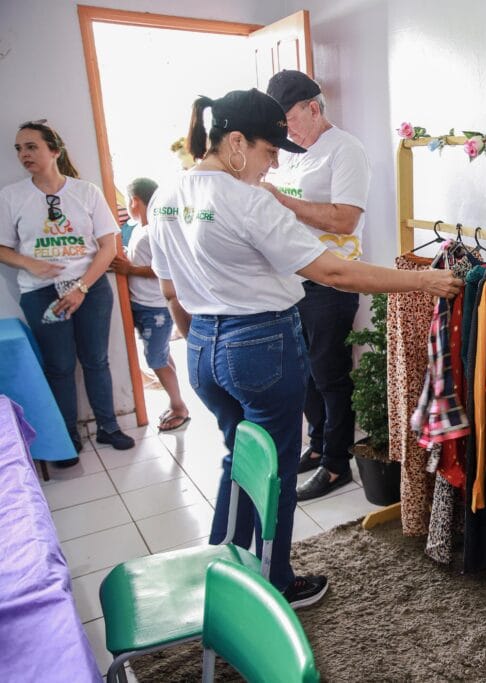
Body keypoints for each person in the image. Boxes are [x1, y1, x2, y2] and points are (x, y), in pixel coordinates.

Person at [147, 89, 460, 607]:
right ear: (236, 142)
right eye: (270, 153)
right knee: (272, 470)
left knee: (237, 459)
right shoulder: (243, 199)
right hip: (260, 344)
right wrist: (422, 280)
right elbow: (332, 271)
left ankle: (222, 563)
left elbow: (168, 289)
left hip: (202, 346)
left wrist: (201, 336)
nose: (270, 168)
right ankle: (276, 583)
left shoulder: (165, 196)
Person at [0, 120, 136, 464]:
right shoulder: (11, 196)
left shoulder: (86, 192)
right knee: (59, 366)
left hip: (90, 288)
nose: (24, 154)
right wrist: (30, 264)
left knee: (95, 360)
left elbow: (108, 246)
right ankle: (67, 436)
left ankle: (108, 427)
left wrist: (81, 287)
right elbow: (2, 247)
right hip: (41, 292)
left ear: (54, 151)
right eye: (19, 149)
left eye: (31, 146)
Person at [262, 69, 368, 501]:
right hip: (293, 279)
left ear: (312, 107)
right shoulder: (291, 154)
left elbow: (345, 219)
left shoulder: (345, 150)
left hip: (331, 279)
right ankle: (319, 443)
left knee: (329, 373)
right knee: (304, 373)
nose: (285, 131)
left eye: (288, 120)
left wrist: (282, 200)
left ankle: (336, 463)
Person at [110, 177, 190, 432]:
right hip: (142, 304)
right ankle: (176, 400)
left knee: (155, 358)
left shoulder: (155, 229)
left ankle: (179, 406)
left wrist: (130, 268)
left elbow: (163, 270)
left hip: (155, 307)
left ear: (135, 201)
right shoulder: (138, 229)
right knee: (161, 355)